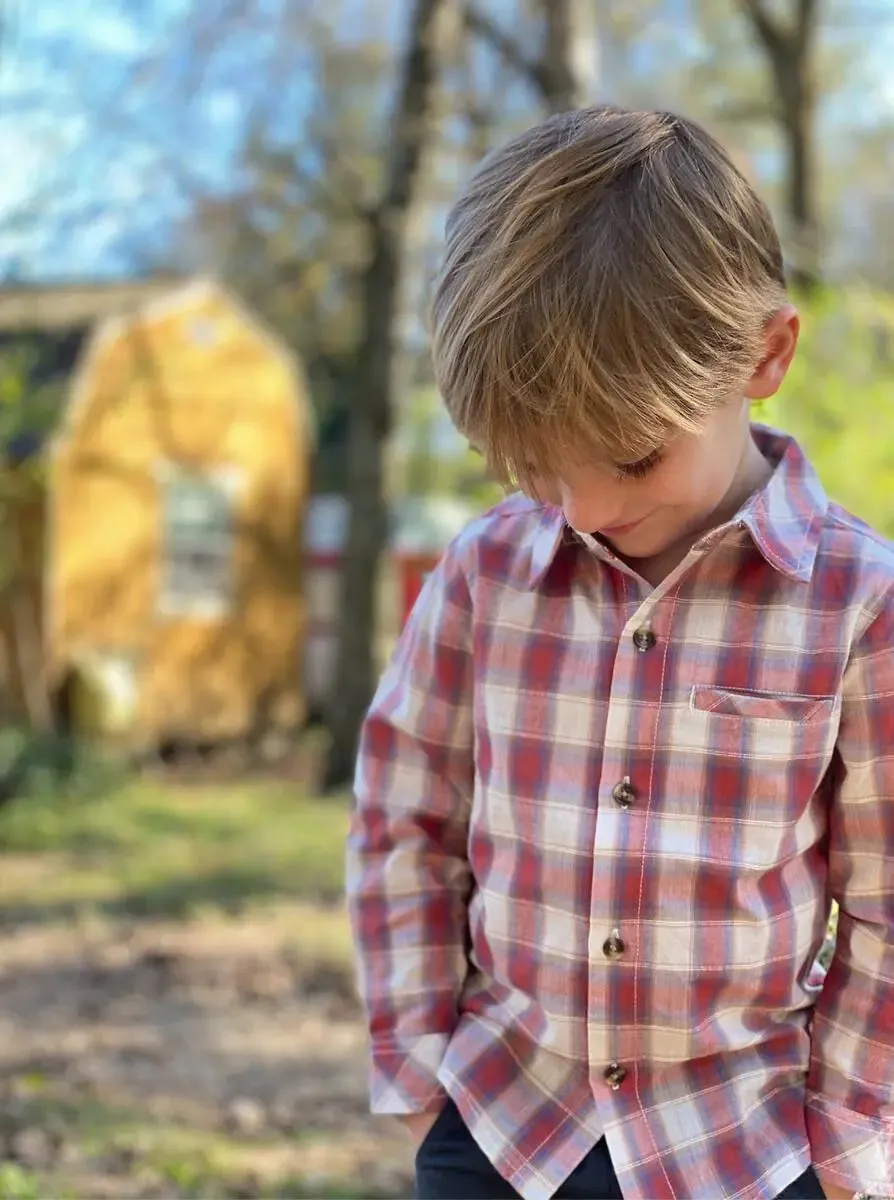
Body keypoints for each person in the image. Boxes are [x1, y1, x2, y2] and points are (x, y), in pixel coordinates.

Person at [345, 105, 894, 1200]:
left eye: (634, 458)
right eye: (538, 467)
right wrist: (414, 1066)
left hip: (747, 1139)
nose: (584, 507)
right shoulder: (482, 573)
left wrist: (850, 1131)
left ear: (765, 354)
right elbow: (404, 815)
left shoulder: (858, 604)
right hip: (503, 1120)